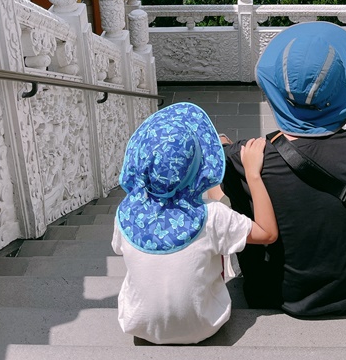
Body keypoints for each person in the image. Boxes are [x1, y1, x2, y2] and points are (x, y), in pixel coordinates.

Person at [221, 21, 346, 318]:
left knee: (231, 189)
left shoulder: (246, 156)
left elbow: (206, 169)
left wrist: (224, 146)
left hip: (269, 294)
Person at [111, 101, 278, 345]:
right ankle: (218, 155)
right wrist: (252, 174)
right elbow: (267, 234)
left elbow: (120, 248)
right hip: (205, 325)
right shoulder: (212, 216)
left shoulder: (124, 214)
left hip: (139, 325)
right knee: (218, 229)